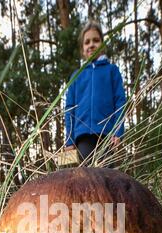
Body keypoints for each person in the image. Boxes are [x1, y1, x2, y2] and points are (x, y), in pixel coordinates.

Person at [64, 20, 126, 165]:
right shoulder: (76, 76)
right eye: (87, 42)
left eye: (96, 40)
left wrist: (117, 132)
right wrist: (69, 140)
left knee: (107, 178)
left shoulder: (111, 71)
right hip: (83, 137)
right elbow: (69, 109)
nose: (91, 44)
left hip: (106, 135)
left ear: (103, 45)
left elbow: (120, 102)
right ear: (82, 49)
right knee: (86, 177)